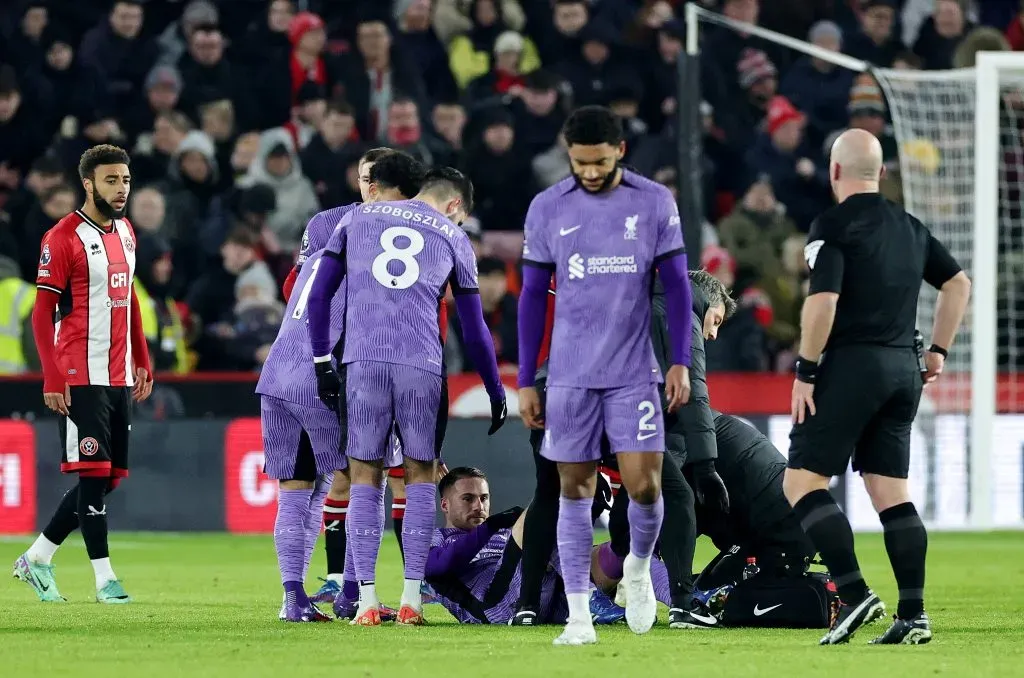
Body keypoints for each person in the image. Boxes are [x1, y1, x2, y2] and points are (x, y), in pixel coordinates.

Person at [516, 105, 693, 645]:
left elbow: (681, 286)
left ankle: (636, 570)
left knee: (644, 488)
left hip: (633, 372)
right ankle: (577, 617)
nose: (589, 172)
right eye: (579, 162)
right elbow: (529, 297)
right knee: (575, 489)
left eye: (597, 161)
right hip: (569, 375)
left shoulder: (655, 202)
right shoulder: (547, 207)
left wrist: (680, 359)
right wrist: (526, 377)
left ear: (620, 150)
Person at [785, 128, 970, 645]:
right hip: (903, 369)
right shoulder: (910, 226)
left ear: (834, 172)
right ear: (881, 173)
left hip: (851, 366)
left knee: (801, 482)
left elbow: (824, 301)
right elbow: (958, 283)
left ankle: (853, 593)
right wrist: (938, 351)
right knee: (889, 491)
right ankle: (913, 614)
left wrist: (805, 369)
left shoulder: (833, 225)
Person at [306, 167, 507, 626]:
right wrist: (494, 386)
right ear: (455, 206)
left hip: (362, 362)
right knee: (418, 475)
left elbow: (319, 296)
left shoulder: (358, 218)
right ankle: (412, 601)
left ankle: (367, 602)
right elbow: (473, 328)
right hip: (422, 366)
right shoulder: (455, 238)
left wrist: (321, 361)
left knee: (363, 476)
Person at [255, 152, 427, 622]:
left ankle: (293, 597)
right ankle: (353, 592)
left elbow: (297, 287)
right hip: (323, 371)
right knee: (359, 480)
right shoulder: (384, 236)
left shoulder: (329, 226)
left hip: (277, 372)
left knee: (299, 489)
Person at [13, 145, 154, 605]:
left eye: (126, 181)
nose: (121, 190)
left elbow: (127, 296)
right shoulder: (63, 237)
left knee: (109, 476)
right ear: (89, 184)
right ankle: (105, 580)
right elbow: (42, 312)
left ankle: (37, 558)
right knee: (93, 474)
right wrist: (53, 378)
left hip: (116, 374)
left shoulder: (127, 233)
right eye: (111, 181)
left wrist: (142, 357)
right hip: (78, 372)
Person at [428, 466, 678, 625]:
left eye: (484, 498)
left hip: (550, 600)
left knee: (625, 547)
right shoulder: (436, 538)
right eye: (468, 499)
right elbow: (438, 566)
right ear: (445, 505)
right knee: (541, 515)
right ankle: (591, 598)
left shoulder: (503, 530)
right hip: (496, 608)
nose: (478, 507)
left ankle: (682, 601)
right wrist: (491, 525)